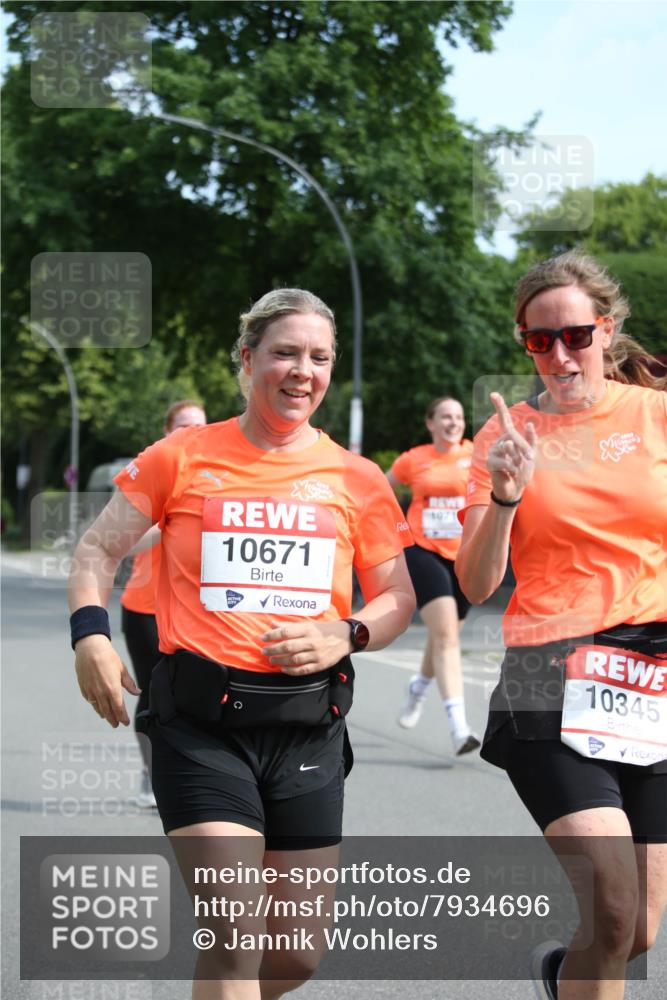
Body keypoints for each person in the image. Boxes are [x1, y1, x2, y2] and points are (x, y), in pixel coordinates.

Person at [68, 288, 416, 999]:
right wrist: (91, 638)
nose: (302, 372)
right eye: (284, 353)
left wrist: (346, 632)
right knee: (234, 938)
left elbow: (397, 597)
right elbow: (96, 552)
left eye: (319, 357)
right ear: (247, 358)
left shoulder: (356, 478)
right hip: (201, 727)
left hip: (307, 728)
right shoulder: (181, 456)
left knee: (295, 956)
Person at [455, 250, 667, 1000]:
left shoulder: (655, 415)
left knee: (636, 932)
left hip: (652, 679)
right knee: (611, 909)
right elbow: (476, 582)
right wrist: (505, 497)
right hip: (549, 673)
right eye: (539, 341)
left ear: (604, 330)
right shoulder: (505, 435)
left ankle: (561, 977)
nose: (559, 355)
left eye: (575, 335)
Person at [120, 399, 207, 808]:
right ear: (167, 431)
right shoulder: (151, 471)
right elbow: (123, 543)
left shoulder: (216, 476)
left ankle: (191, 776)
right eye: (184, 425)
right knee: (155, 693)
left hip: (195, 610)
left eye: (200, 426)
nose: (192, 432)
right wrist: (170, 522)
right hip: (145, 607)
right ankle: (149, 774)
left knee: (193, 695)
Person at [386, 397, 479, 755]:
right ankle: (459, 728)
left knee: (445, 635)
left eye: (458, 417)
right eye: (445, 417)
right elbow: (379, 491)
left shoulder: (476, 455)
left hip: (465, 555)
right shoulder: (414, 459)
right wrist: (396, 530)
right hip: (423, 550)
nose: (453, 422)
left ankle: (417, 688)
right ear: (431, 423)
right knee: (447, 637)